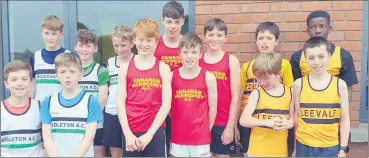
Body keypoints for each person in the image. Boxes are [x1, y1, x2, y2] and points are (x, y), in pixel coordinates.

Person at [116, 18, 171, 157]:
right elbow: (120, 103)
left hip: (155, 131)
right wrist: (127, 134)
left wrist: (149, 135)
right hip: (131, 131)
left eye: (149, 40)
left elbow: (166, 105)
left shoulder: (163, 68)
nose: (144, 44)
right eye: (141, 40)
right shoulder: (125, 68)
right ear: (134, 40)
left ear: (156, 42)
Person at [239, 22, 294, 156]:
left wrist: (289, 121)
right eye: (261, 38)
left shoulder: (284, 64)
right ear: (256, 41)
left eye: (269, 38)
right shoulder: (247, 66)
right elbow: (240, 94)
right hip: (251, 118)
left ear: (276, 41)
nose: (265, 42)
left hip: (277, 121)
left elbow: (291, 94)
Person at [293, 37, 350, 157]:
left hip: (330, 147)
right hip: (303, 145)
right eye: (311, 58)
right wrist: (294, 149)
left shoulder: (340, 85)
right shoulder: (299, 84)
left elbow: (344, 119)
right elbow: (296, 117)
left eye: (321, 56)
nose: (316, 62)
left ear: (329, 55)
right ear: (305, 59)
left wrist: (343, 149)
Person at [40, 53, 103, 157]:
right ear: (56, 76)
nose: (67, 75)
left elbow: (88, 138)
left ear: (81, 75)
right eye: (62, 72)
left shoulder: (91, 101)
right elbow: (47, 138)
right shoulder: (48, 102)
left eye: (72, 71)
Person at [170, 33, 217, 157]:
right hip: (178, 136)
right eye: (185, 52)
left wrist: (205, 130)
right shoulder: (172, 77)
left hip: (200, 138)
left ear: (201, 54)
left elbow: (212, 109)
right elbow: (168, 108)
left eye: (194, 52)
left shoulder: (208, 77)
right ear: (179, 54)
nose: (189, 56)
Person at [199, 18, 240, 157]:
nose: (214, 39)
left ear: (225, 38)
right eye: (210, 35)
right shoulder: (198, 61)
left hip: (222, 123)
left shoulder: (231, 61)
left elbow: (235, 96)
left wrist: (230, 126)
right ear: (204, 37)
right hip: (202, 122)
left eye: (219, 35)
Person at [156, 1, 185, 153]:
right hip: (158, 105)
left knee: (179, 148)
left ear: (183, 22)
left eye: (177, 22)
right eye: (169, 21)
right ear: (163, 20)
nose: (172, 26)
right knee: (162, 147)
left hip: (183, 103)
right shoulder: (155, 45)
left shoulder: (188, 45)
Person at [74, 29, 109, 157]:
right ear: (75, 47)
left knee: (98, 154)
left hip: (95, 121)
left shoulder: (101, 70)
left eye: (88, 46)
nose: (84, 49)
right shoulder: (71, 70)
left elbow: (102, 99)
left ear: (95, 48)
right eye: (81, 45)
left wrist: (89, 117)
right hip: (76, 121)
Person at [103, 25, 135, 157]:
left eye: (123, 45)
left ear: (132, 43)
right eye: (116, 45)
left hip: (132, 115)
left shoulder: (137, 62)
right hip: (112, 113)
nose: (119, 49)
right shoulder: (110, 62)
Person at [1, 61, 43, 157]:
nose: (19, 83)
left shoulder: (40, 107)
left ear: (31, 82)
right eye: (14, 80)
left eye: (24, 79)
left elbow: (49, 142)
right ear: (6, 84)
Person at [29, 15, 71, 102]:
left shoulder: (70, 56)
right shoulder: (35, 57)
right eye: (46, 33)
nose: (50, 38)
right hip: (40, 107)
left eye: (54, 34)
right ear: (42, 33)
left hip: (63, 107)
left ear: (61, 35)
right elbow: (32, 86)